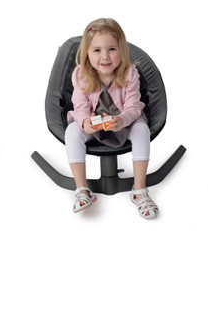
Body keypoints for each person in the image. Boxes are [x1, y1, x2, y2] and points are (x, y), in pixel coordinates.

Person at [65, 18, 159, 219]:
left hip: (124, 124)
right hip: (93, 128)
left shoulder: (129, 73)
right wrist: (85, 121)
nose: (105, 57)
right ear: (87, 53)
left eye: (112, 49)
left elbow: (133, 107)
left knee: (141, 129)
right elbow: (79, 107)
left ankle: (139, 190)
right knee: (72, 130)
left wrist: (122, 120)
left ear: (122, 50)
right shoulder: (81, 74)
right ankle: (82, 189)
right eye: (97, 50)